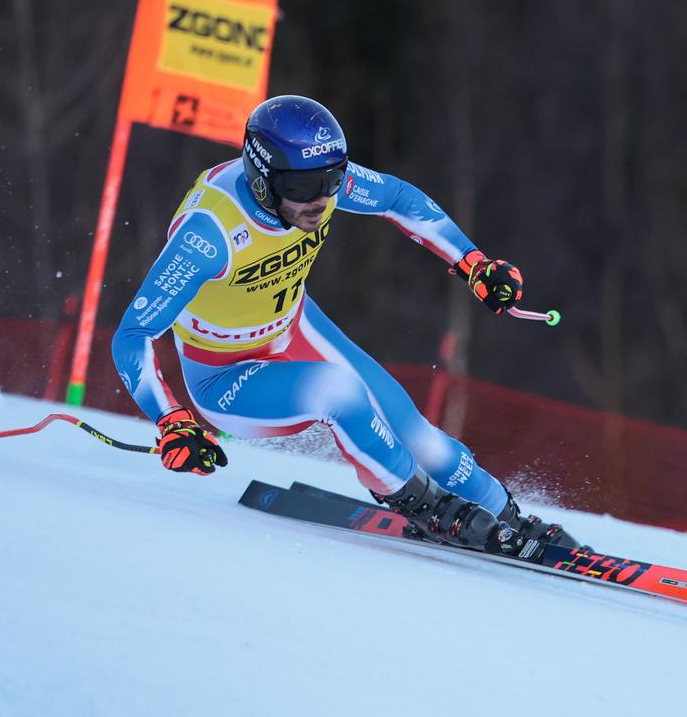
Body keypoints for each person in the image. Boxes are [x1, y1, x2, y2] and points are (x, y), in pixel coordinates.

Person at [112, 95, 579, 553]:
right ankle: (418, 502)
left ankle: (506, 515)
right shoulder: (208, 235)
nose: (319, 200)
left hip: (294, 329)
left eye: (332, 182)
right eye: (299, 190)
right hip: (225, 377)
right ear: (262, 182)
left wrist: (473, 263)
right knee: (339, 392)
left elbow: (396, 197)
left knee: (421, 438)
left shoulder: (315, 182)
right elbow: (133, 336)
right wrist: (171, 421)